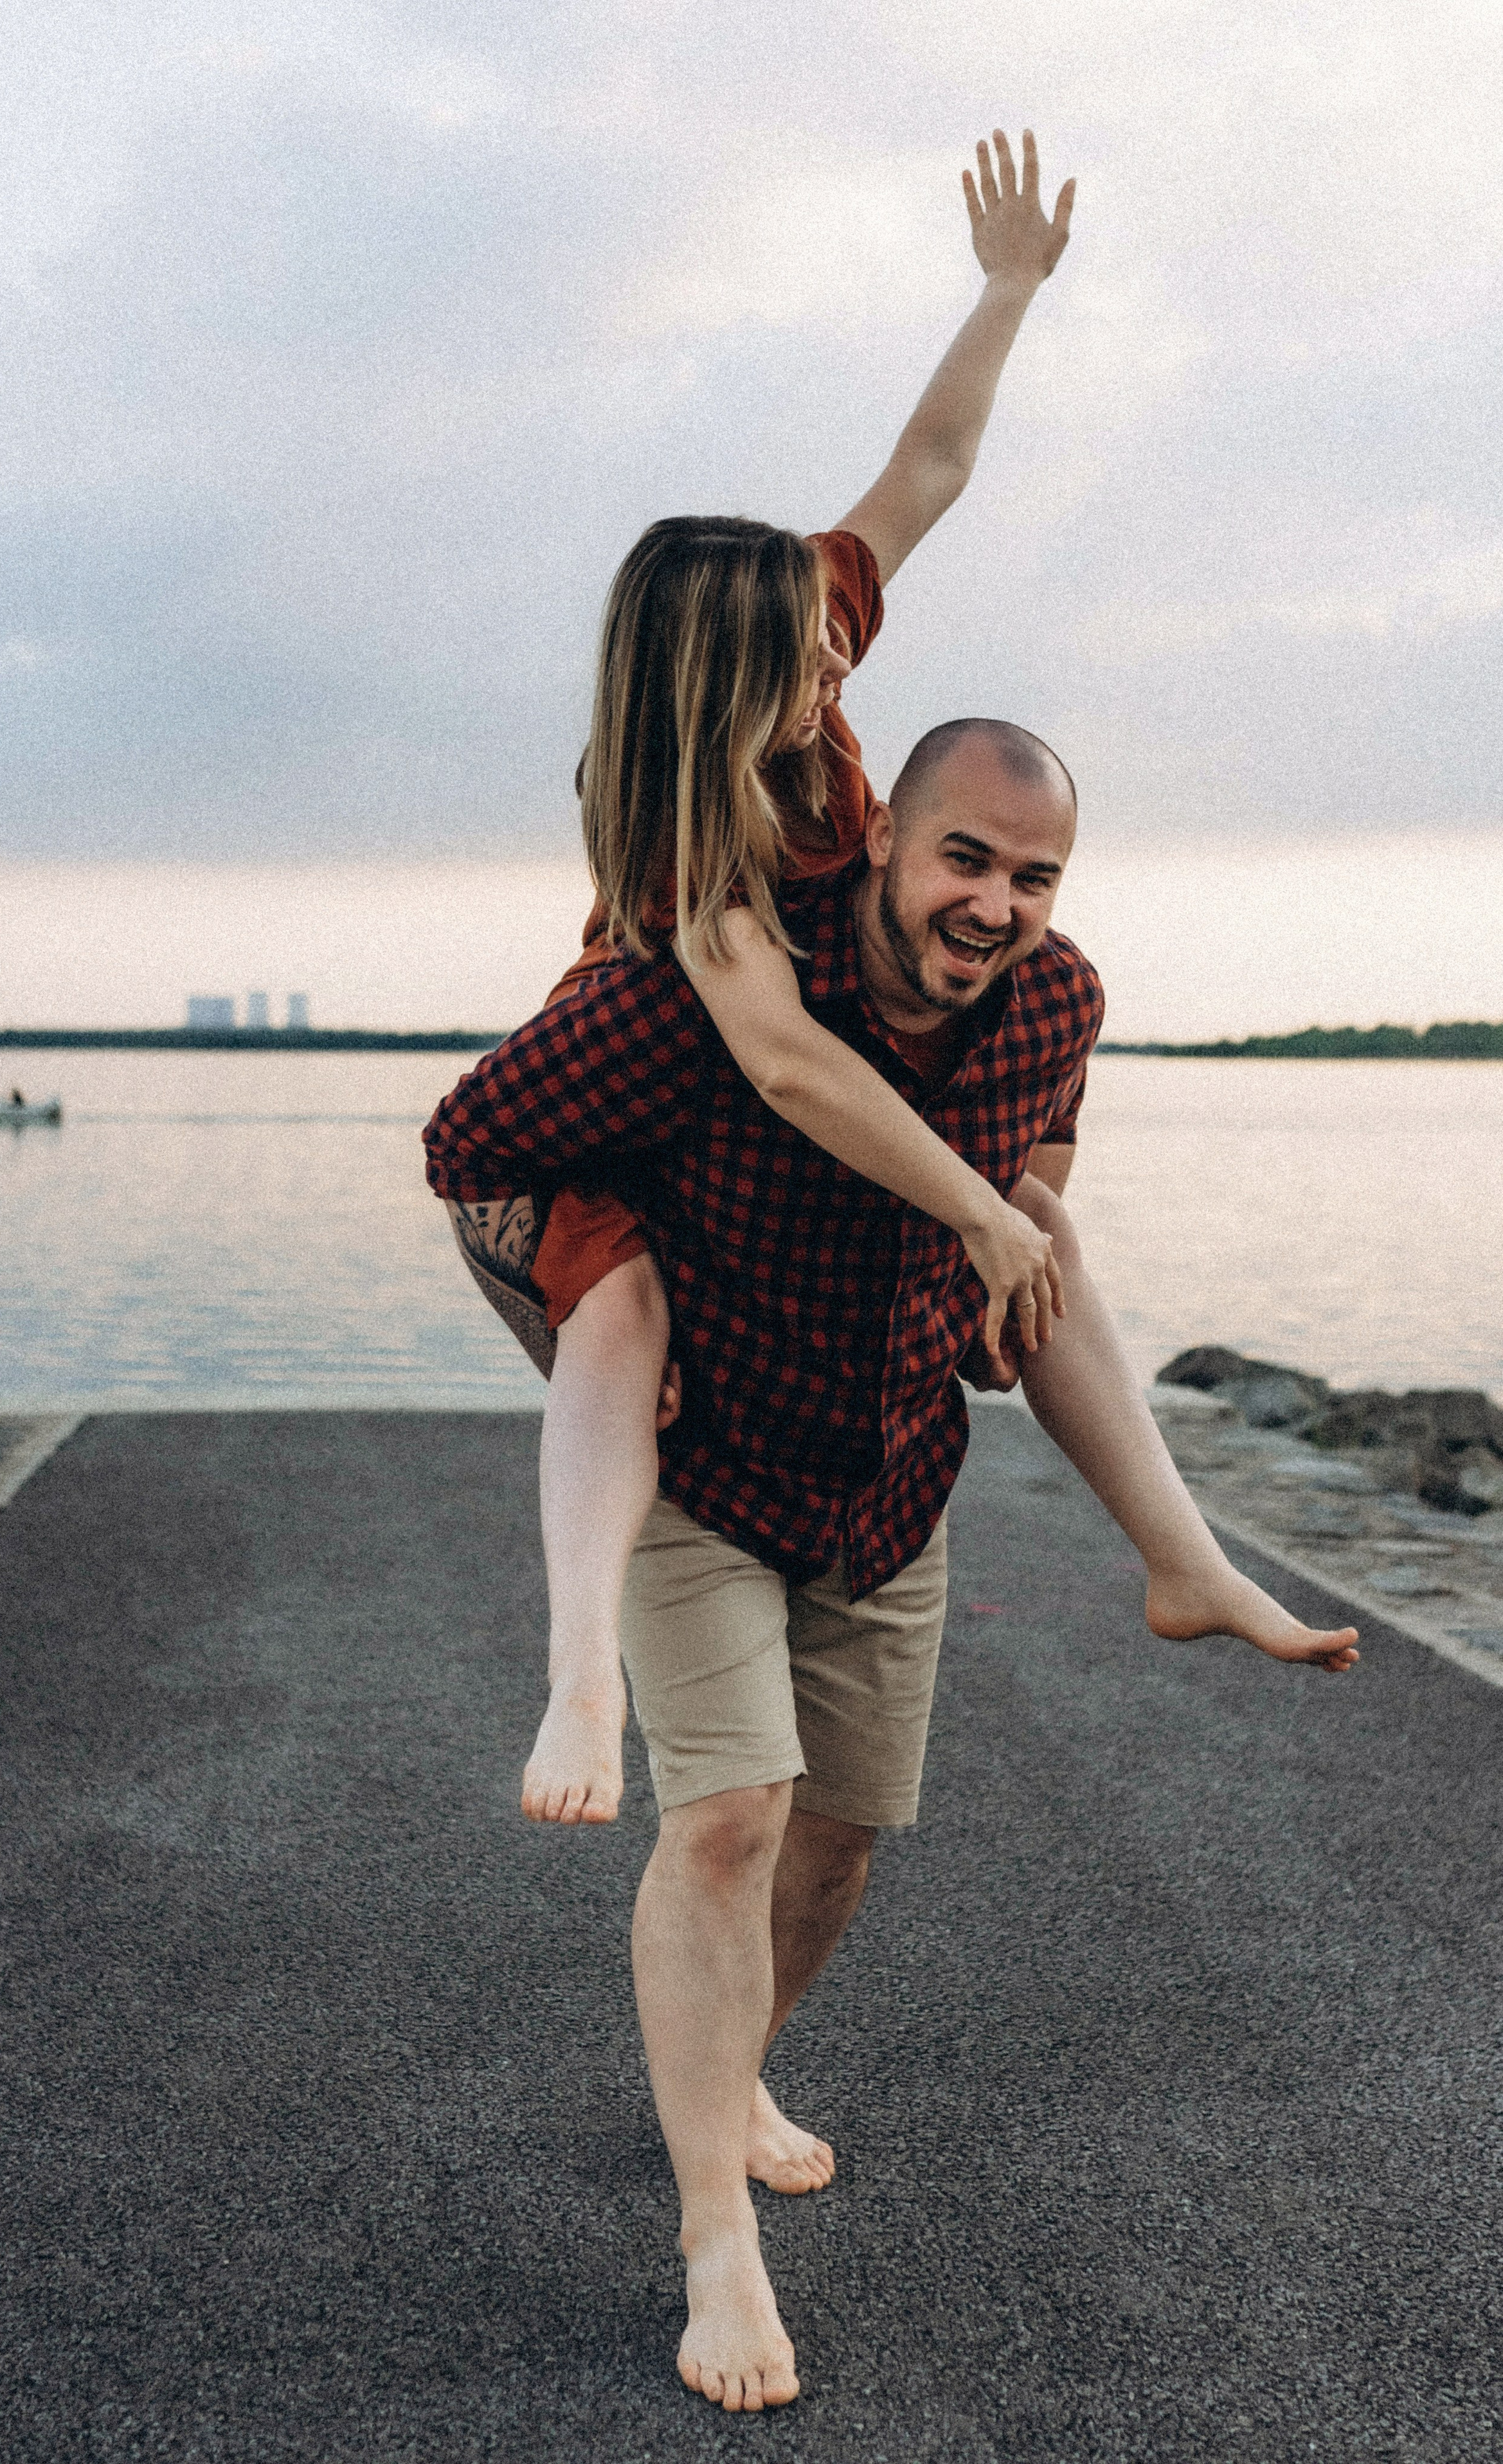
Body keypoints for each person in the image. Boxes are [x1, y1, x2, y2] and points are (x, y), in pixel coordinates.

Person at [424, 711, 1360, 2411]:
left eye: (1036, 874)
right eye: (967, 857)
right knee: (727, 1816)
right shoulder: (695, 997)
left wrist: (1017, 1247)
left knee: (839, 1840)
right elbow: (469, 1140)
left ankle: (731, 2073)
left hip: (890, 1480)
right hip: (700, 1469)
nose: (1000, 903)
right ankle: (717, 2237)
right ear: (878, 843)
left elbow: (1036, 1214)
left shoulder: (1058, 1002)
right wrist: (582, 1309)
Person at [450, 133, 1350, 1845]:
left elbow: (929, 464)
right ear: (725, 687)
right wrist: (976, 1214)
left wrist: (1009, 288)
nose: (845, 653)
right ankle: (582, 1667)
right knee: (630, 1327)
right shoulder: (690, 854)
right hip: (615, 1127)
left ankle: (1180, 1555)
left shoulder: (811, 622)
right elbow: (785, 1066)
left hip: (775, 1088)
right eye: (813, 654)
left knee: (1037, 1224)